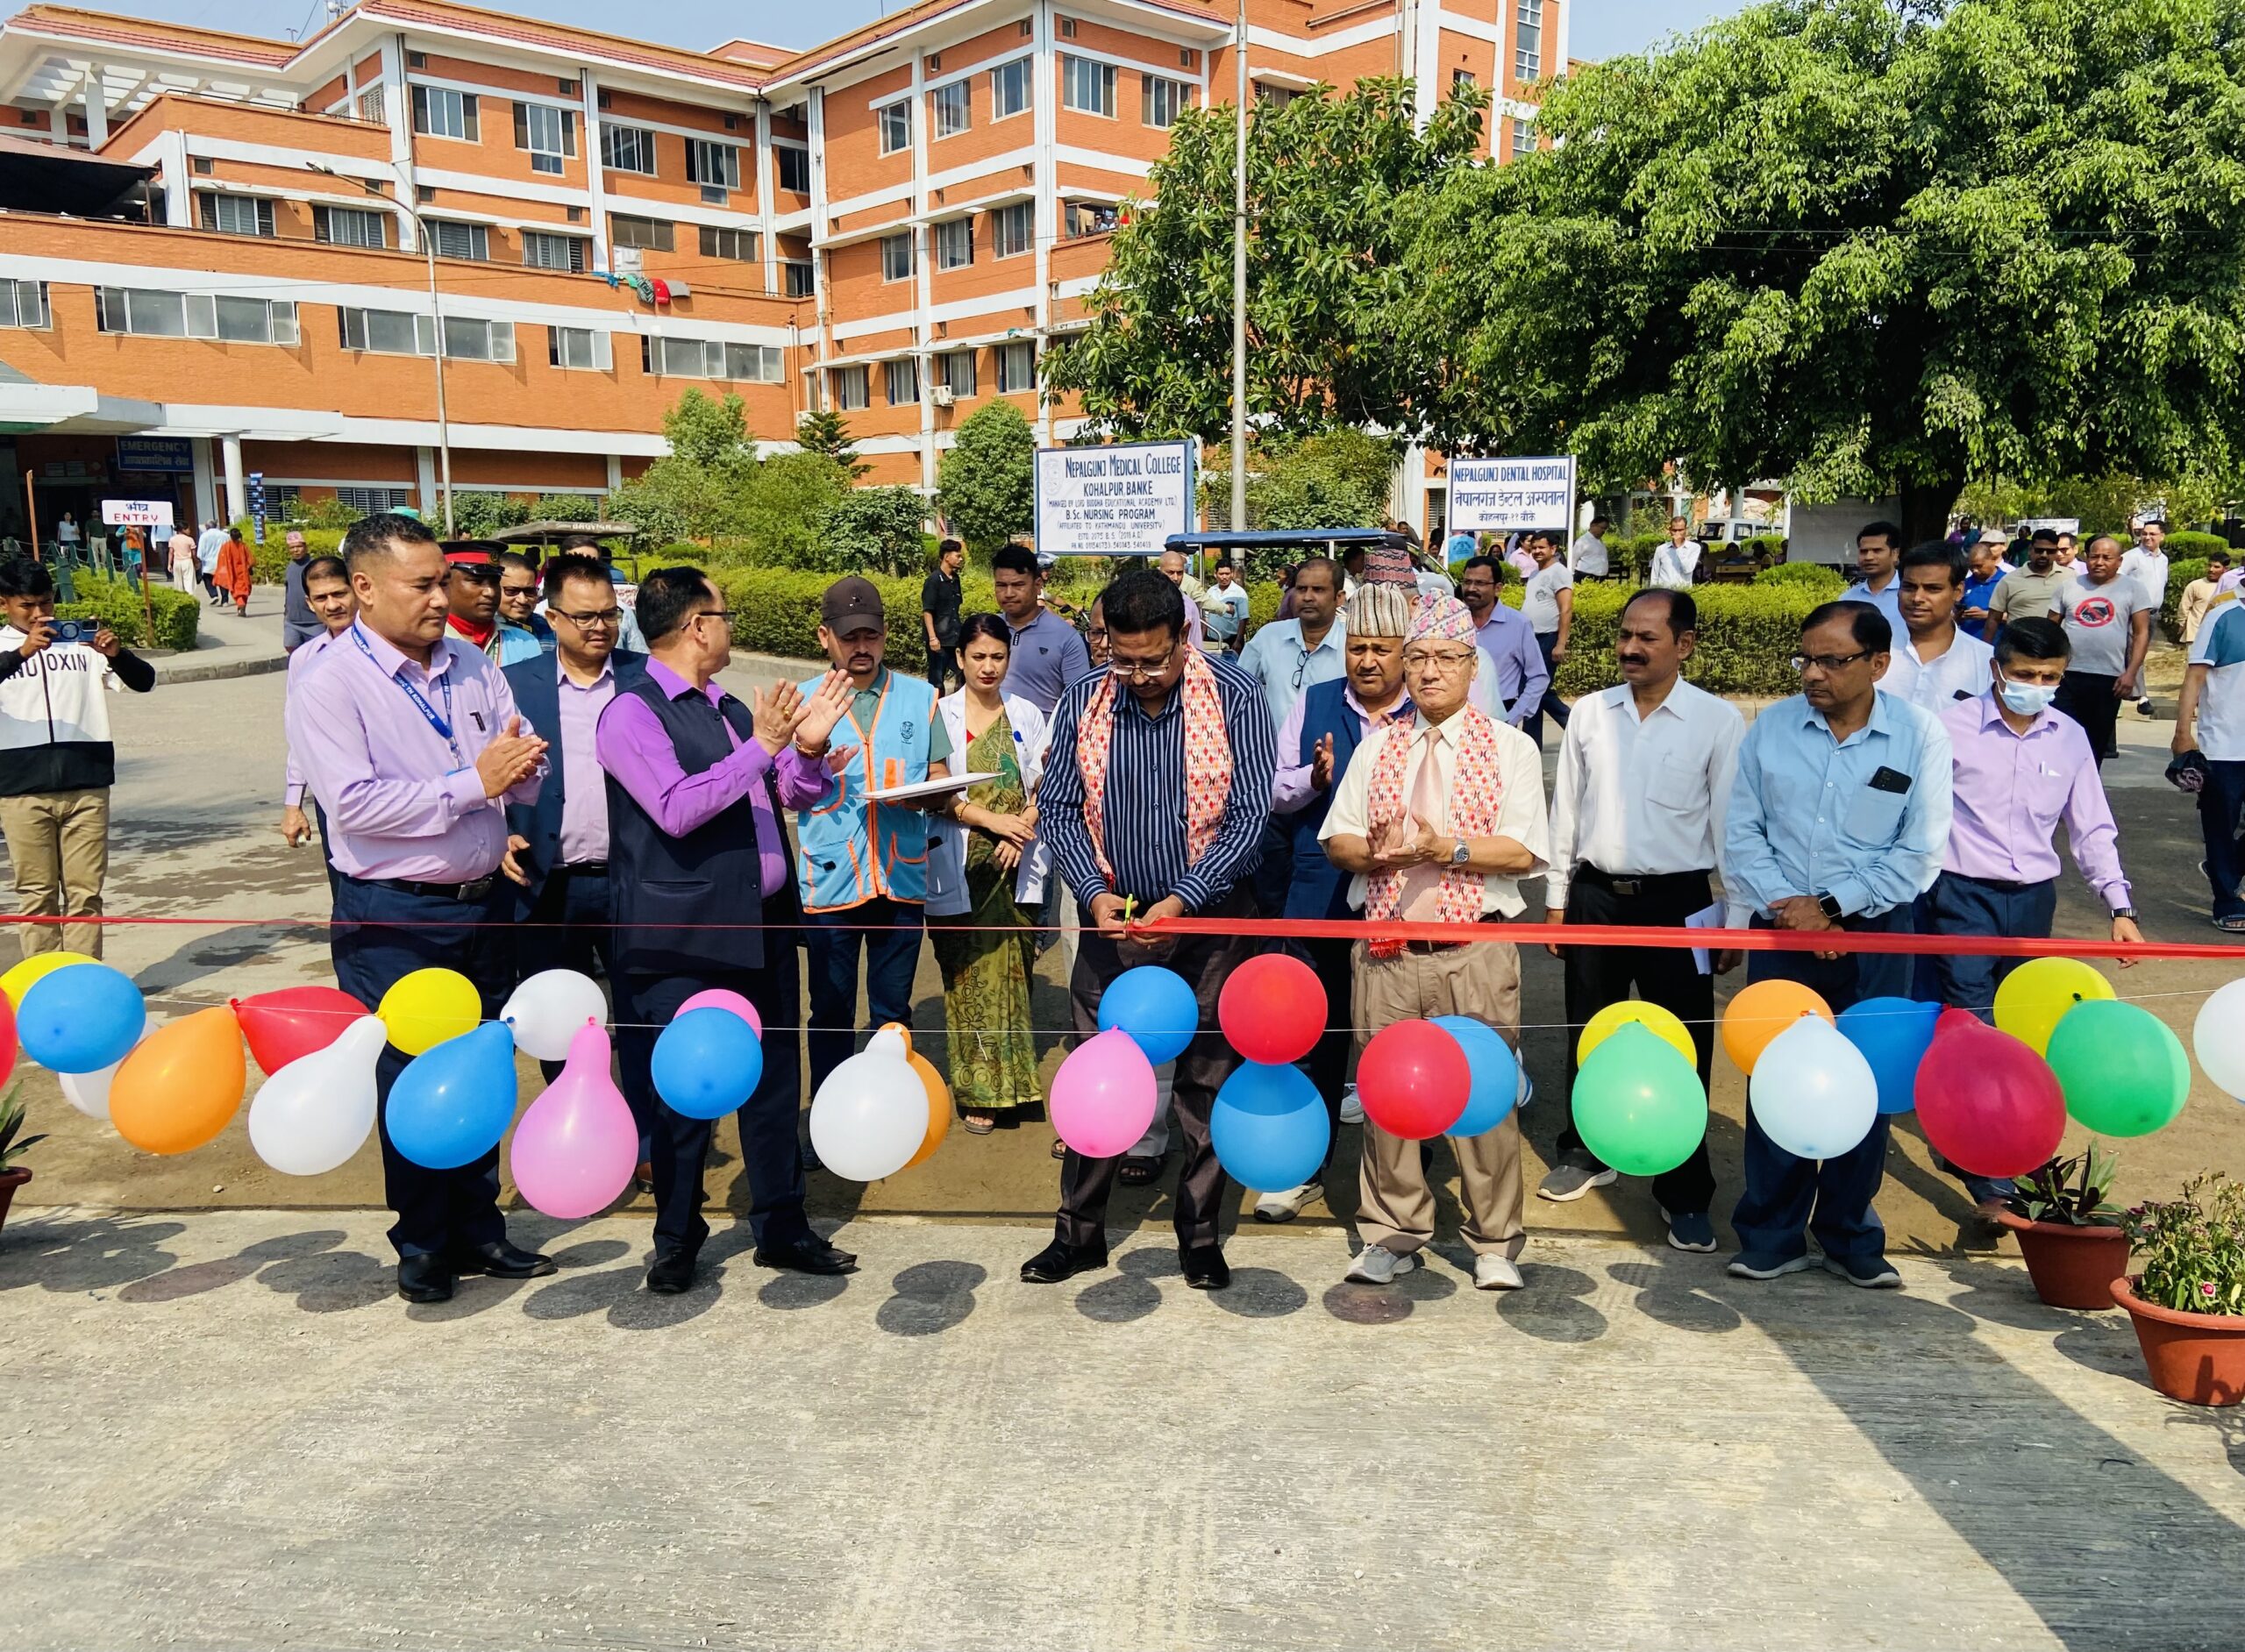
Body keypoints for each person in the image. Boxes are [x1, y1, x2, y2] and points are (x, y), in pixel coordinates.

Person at [286, 512, 553, 1306]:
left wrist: (523, 769)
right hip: (394, 914)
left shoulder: (472, 664)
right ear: (365, 589)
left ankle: (479, 1226)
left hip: (484, 904)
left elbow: (515, 758)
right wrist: (476, 783)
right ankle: (424, 1240)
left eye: (445, 582)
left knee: (479, 1065)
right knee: (408, 1075)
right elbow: (355, 805)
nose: (443, 598)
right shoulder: (329, 681)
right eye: (424, 585)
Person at [596, 566, 855, 1292]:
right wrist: (764, 748)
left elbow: (785, 794)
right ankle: (678, 1237)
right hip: (685, 937)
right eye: (725, 615)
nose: (730, 627)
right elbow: (677, 808)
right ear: (696, 626)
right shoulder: (631, 713)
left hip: (762, 925)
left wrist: (807, 752)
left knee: (774, 1084)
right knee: (686, 1093)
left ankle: (782, 1225)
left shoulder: (733, 708)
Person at [1023, 567, 1276, 1291]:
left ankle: (1200, 1236)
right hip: (1112, 923)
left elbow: (1251, 814)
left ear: (1184, 637)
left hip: (1210, 921)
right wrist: (1094, 894)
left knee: (1205, 1079)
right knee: (1097, 1076)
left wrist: (1186, 898)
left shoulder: (1236, 696)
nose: (1137, 676)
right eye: (1123, 659)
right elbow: (1060, 808)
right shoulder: (1084, 700)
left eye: (1154, 660)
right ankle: (1078, 1234)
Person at [1320, 592, 1548, 1292]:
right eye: (1417, 657)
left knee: (1484, 1101)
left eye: (1446, 658)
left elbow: (1522, 852)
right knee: (1388, 1101)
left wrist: (1444, 848)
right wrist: (1376, 854)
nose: (1428, 671)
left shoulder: (1510, 748)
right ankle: (1391, 1232)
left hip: (1472, 951)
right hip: (1388, 952)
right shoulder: (1377, 748)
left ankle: (1494, 1241)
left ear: (1473, 666)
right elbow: (1338, 840)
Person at [1722, 601, 1952, 1290]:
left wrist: (1833, 908)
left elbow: (1920, 851)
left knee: (1867, 1081)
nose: (1813, 674)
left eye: (1832, 661)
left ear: (1878, 664)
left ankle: (1850, 1234)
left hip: (1879, 934)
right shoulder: (1771, 730)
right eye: (1806, 659)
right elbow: (1742, 834)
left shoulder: (1919, 736)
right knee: (1777, 1076)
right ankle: (1771, 1234)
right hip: (1782, 930)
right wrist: (1798, 914)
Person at [1540, 588, 1742, 1249]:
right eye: (1625, 634)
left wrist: (1735, 918)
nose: (1630, 648)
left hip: (1680, 905)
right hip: (1595, 897)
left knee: (1682, 1042)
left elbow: (1731, 827)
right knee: (1589, 1029)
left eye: (1647, 637)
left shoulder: (1716, 721)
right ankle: (1584, 1150)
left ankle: (1683, 1188)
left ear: (1684, 645)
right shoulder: (1591, 713)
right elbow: (1567, 810)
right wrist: (1557, 897)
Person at [1927, 616, 2142, 1193]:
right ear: (1997, 669)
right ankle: (1987, 1169)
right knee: (1973, 1020)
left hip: (2032, 904)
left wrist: (2120, 907)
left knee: (2021, 1023)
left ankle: (2001, 1132)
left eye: (2050, 677)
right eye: (2025, 674)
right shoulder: (1948, 729)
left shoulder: (2069, 737)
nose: (2037, 685)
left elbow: (2091, 827)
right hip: (1960, 895)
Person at [1264, 582, 1417, 1220]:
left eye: (1382, 649)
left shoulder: (1427, 712)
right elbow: (1275, 791)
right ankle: (1303, 1166)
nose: (1368, 661)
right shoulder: (1316, 700)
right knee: (1312, 1036)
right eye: (1358, 647)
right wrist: (1313, 778)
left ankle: (1404, 1187)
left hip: (1403, 902)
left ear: (1406, 653)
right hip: (1319, 895)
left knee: (1397, 1042)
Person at [796, 575, 949, 1099]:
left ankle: (892, 1109)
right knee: (830, 1009)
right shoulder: (802, 702)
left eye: (871, 636)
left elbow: (939, 776)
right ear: (825, 637)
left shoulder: (921, 698)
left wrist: (926, 795)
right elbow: (785, 792)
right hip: (831, 880)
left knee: (892, 1012)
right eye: (849, 637)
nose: (862, 647)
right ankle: (828, 1109)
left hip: (900, 877)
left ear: (885, 635)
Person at [499, 552, 645, 1085]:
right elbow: (482, 771)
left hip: (631, 880)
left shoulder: (646, 679)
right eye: (584, 617)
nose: (599, 627)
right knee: (558, 1021)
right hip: (545, 883)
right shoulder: (513, 685)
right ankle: (572, 1113)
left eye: (609, 614)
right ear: (553, 617)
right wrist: (496, 835)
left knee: (642, 1012)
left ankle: (645, 1125)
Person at [927, 613, 1051, 1134]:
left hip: (1017, 859)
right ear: (959, 658)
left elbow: (1045, 782)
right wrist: (991, 822)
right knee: (970, 976)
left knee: (1015, 974)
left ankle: (1016, 1086)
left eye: (997, 657)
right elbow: (935, 790)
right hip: (963, 864)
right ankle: (980, 1090)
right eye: (977, 656)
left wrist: (1021, 826)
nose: (988, 666)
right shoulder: (940, 713)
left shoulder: (1027, 712)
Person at [0, 557, 156, 958]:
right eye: (27, 606)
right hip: (21, 790)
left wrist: (118, 654)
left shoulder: (79, 643)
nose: (39, 614)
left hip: (87, 784)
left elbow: (145, 682)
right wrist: (21, 653)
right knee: (37, 896)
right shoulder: (4, 649)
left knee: (86, 894)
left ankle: (82, 978)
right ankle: (44, 980)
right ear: (4, 604)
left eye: (46, 603)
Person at [278, 555, 358, 887]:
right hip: (334, 795)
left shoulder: (391, 646)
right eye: (321, 598)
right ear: (310, 604)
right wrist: (293, 804)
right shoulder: (305, 659)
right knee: (345, 891)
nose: (333, 605)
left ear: (358, 590)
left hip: (393, 788)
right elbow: (300, 737)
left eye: (339, 593)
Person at [2174, 590, 2245, 930]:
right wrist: (2182, 732)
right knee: (2220, 826)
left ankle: (2226, 866)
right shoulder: (2223, 616)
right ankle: (2227, 901)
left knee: (2225, 844)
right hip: (2224, 746)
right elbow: (2195, 676)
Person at [2052, 535, 2152, 766]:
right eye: (2094, 556)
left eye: (2107, 558)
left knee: (2095, 744)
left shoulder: (2133, 589)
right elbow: (2050, 630)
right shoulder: (2069, 587)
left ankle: (2088, 787)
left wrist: (2131, 674)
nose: (2099, 562)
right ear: (2086, 558)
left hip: (2109, 679)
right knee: (2061, 741)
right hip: (2067, 677)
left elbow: (2141, 634)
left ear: (2119, 561)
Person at [1878, 542, 1993, 714]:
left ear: (1958, 591)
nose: (1917, 598)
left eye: (1932, 589)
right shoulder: (1869, 648)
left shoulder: (1985, 661)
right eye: (1909, 587)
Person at [991, 545, 1090, 716]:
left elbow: (1080, 703)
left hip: (1044, 732)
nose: (1008, 593)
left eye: (1018, 585)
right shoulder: (988, 630)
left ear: (1038, 586)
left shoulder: (1066, 638)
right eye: (1001, 585)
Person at [1455, 554, 1544, 726]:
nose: (1471, 588)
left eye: (1480, 583)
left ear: (1498, 588)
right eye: (1467, 582)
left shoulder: (1518, 624)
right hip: (1456, 715)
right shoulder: (1453, 622)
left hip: (1500, 715)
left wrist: (1513, 717)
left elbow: (1538, 677)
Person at [1520, 529, 1573, 746]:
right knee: (1533, 692)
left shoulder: (1559, 572)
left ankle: (1575, 724)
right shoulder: (1534, 574)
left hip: (1547, 638)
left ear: (1553, 548)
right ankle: (1532, 745)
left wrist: (1560, 643)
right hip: (1530, 640)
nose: (1537, 551)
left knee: (1536, 690)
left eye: (1541, 547)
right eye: (1534, 548)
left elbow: (1566, 609)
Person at [1983, 528, 2070, 644]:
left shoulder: (2071, 577)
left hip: (2056, 648)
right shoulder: (2009, 580)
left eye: (2050, 551)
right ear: (2030, 550)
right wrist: (1986, 648)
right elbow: (1994, 618)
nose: (2044, 555)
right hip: (2018, 648)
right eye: (2039, 550)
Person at [2121, 519, 2170, 716]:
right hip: (2134, 613)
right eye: (2144, 533)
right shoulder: (2132, 557)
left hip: (2153, 613)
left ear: (2162, 536)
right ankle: (2141, 696)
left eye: (2152, 534)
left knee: (2139, 653)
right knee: (2135, 652)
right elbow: (2117, 578)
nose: (2147, 537)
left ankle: (2131, 689)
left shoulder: (2163, 559)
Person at [1840, 521, 1905, 628]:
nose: (1868, 557)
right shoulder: (1848, 599)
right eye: (1863, 551)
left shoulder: (1911, 594)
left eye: (1877, 550)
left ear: (1895, 554)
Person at [922, 537, 966, 693]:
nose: (961, 559)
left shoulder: (955, 579)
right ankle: (935, 707)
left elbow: (955, 609)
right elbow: (928, 611)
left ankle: (958, 704)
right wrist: (933, 638)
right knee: (937, 683)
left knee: (964, 673)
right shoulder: (933, 581)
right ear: (947, 557)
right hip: (939, 641)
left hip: (954, 638)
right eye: (957, 556)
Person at [495, 552, 556, 659]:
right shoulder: (487, 632)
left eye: (529, 591)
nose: (522, 600)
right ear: (494, 589)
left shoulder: (549, 628)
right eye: (512, 591)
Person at [1959, 530, 2010, 637]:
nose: (1975, 570)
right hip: (1968, 640)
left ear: (1992, 560)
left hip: (1997, 642)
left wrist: (1986, 615)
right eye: (1971, 567)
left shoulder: (2007, 581)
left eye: (1979, 566)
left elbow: (2017, 616)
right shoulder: (1966, 583)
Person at [1154, 548, 1207, 649]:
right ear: (1160, 572)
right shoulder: (1150, 601)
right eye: (1170, 572)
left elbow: (1196, 644)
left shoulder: (1188, 605)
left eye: (1179, 573)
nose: (1175, 578)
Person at [281, 530, 323, 652]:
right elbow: (289, 591)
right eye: (292, 547)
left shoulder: (315, 566)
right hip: (293, 622)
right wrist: (286, 613)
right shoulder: (290, 567)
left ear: (305, 547)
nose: (296, 550)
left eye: (299, 546)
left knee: (318, 652)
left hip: (315, 622)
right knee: (290, 645)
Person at [2180, 552, 2232, 644]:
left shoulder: (2231, 588)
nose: (2211, 570)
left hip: (2218, 638)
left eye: (2216, 567)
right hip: (2195, 636)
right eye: (2209, 566)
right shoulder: (2195, 585)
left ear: (2226, 569)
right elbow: (2184, 608)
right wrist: (2182, 625)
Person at [1203, 559, 1251, 652]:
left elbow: (1243, 619)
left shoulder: (1239, 593)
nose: (1224, 577)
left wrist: (1238, 641)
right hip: (1212, 640)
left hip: (1231, 641)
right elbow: (1205, 618)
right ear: (1215, 574)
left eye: (1227, 574)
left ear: (1232, 574)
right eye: (1221, 574)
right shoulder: (1211, 591)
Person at [1649, 516, 1702, 590]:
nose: (1677, 533)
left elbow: (1688, 569)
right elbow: (1655, 574)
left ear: (1686, 530)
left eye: (1680, 530)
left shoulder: (1694, 548)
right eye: (1674, 530)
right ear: (1670, 530)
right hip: (1664, 592)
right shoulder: (1661, 549)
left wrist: (1679, 548)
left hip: (1683, 592)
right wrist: (1653, 592)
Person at [214, 524, 253, 617]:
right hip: (243, 572)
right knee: (244, 590)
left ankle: (241, 606)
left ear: (230, 536)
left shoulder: (226, 546)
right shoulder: (243, 546)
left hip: (232, 573)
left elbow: (222, 561)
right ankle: (242, 607)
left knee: (237, 591)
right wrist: (250, 567)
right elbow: (250, 560)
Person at [1570, 513, 1612, 580]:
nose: (1603, 531)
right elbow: (1573, 559)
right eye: (1602, 528)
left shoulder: (1600, 542)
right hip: (1585, 576)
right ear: (1593, 525)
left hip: (1600, 577)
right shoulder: (1583, 541)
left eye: (1605, 529)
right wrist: (1570, 576)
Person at [196, 517, 227, 602]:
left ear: (207, 526)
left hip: (208, 563)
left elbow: (200, 553)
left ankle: (214, 595)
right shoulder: (224, 535)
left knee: (208, 579)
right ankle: (225, 600)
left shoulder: (204, 536)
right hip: (222, 562)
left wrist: (199, 560)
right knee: (223, 581)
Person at [167, 523, 198, 594]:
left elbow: (171, 552)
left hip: (177, 562)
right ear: (183, 530)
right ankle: (190, 597)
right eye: (188, 529)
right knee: (189, 582)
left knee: (178, 583)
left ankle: (180, 597)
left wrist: (169, 564)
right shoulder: (189, 539)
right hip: (187, 561)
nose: (189, 531)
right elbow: (193, 554)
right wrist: (196, 562)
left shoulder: (172, 539)